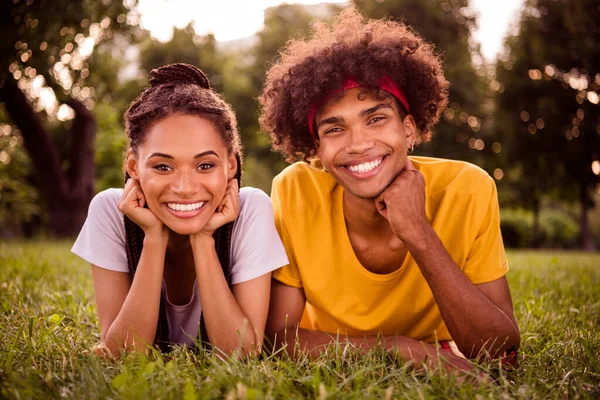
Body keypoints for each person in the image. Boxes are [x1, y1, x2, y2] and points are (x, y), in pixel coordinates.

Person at [258, 7, 520, 374]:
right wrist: (402, 350)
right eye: (334, 129)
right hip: (335, 360)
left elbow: (502, 354)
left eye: (376, 119)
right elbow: (277, 340)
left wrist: (418, 233)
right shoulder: (296, 190)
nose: (358, 144)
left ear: (409, 129)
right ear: (317, 148)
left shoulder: (467, 189)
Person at [72, 63, 288, 357]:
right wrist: (153, 238)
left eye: (205, 165)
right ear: (134, 166)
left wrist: (203, 239)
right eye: (163, 166)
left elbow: (242, 354)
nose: (185, 187)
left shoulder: (251, 209)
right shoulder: (110, 211)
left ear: (231, 166)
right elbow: (122, 355)